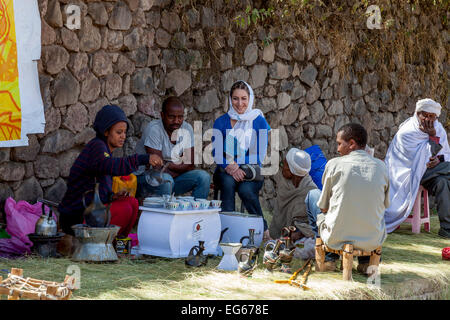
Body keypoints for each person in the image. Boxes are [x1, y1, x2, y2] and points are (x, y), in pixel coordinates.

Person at [58, 105, 163, 239]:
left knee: (132, 202)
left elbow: (98, 181)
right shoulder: (97, 146)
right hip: (77, 218)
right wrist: (143, 159)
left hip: (91, 212)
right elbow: (110, 166)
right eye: (119, 132)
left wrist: (111, 196)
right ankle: (99, 243)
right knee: (125, 208)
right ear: (106, 131)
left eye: (124, 132)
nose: (123, 136)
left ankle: (119, 243)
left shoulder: (105, 150)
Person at [306, 123, 390, 273]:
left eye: (339, 144)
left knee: (313, 196)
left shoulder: (334, 164)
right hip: (372, 239)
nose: (337, 149)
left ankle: (329, 259)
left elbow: (323, 207)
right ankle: (365, 262)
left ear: (351, 143)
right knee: (369, 211)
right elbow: (385, 205)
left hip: (337, 238)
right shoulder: (381, 166)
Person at [212, 80, 271, 240]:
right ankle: (227, 234)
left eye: (244, 98)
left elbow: (259, 154)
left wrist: (238, 166)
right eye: (236, 98)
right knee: (228, 181)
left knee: (246, 190)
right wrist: (229, 166)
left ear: (250, 99)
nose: (240, 103)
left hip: (250, 171)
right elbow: (216, 152)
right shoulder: (222, 121)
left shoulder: (258, 121)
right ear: (230, 99)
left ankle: (262, 229)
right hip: (225, 170)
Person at [384, 98, 450, 238]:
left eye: (432, 117)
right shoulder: (407, 132)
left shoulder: (438, 129)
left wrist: (437, 159)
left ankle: (446, 229)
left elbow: (445, 154)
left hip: (432, 172)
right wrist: (432, 137)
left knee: (443, 183)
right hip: (409, 173)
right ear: (417, 113)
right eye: (425, 115)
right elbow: (415, 162)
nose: (428, 119)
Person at [134, 96, 210, 199]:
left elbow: (190, 165)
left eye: (180, 117)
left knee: (203, 177)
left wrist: (168, 165)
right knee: (166, 180)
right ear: (162, 115)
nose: (176, 121)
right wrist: (180, 167)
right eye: (171, 117)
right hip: (145, 179)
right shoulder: (154, 129)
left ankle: (195, 214)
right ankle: (164, 214)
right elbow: (157, 168)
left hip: (170, 179)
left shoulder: (187, 128)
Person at [269, 148, 318, 240]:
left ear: (293, 171)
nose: (282, 168)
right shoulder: (284, 183)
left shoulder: (310, 191)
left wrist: (298, 234)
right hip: (279, 234)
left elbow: (313, 225)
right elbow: (279, 213)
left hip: (303, 238)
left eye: (285, 166)